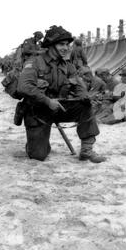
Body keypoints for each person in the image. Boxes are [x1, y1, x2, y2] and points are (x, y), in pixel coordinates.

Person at [17, 25, 106, 163]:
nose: (65, 48)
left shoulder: (67, 64)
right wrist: (47, 101)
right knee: (38, 155)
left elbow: (77, 84)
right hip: (37, 111)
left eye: (67, 44)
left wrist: (85, 96)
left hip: (59, 107)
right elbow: (23, 87)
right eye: (61, 44)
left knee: (85, 106)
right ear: (51, 45)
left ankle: (87, 151)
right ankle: (35, 145)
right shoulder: (34, 62)